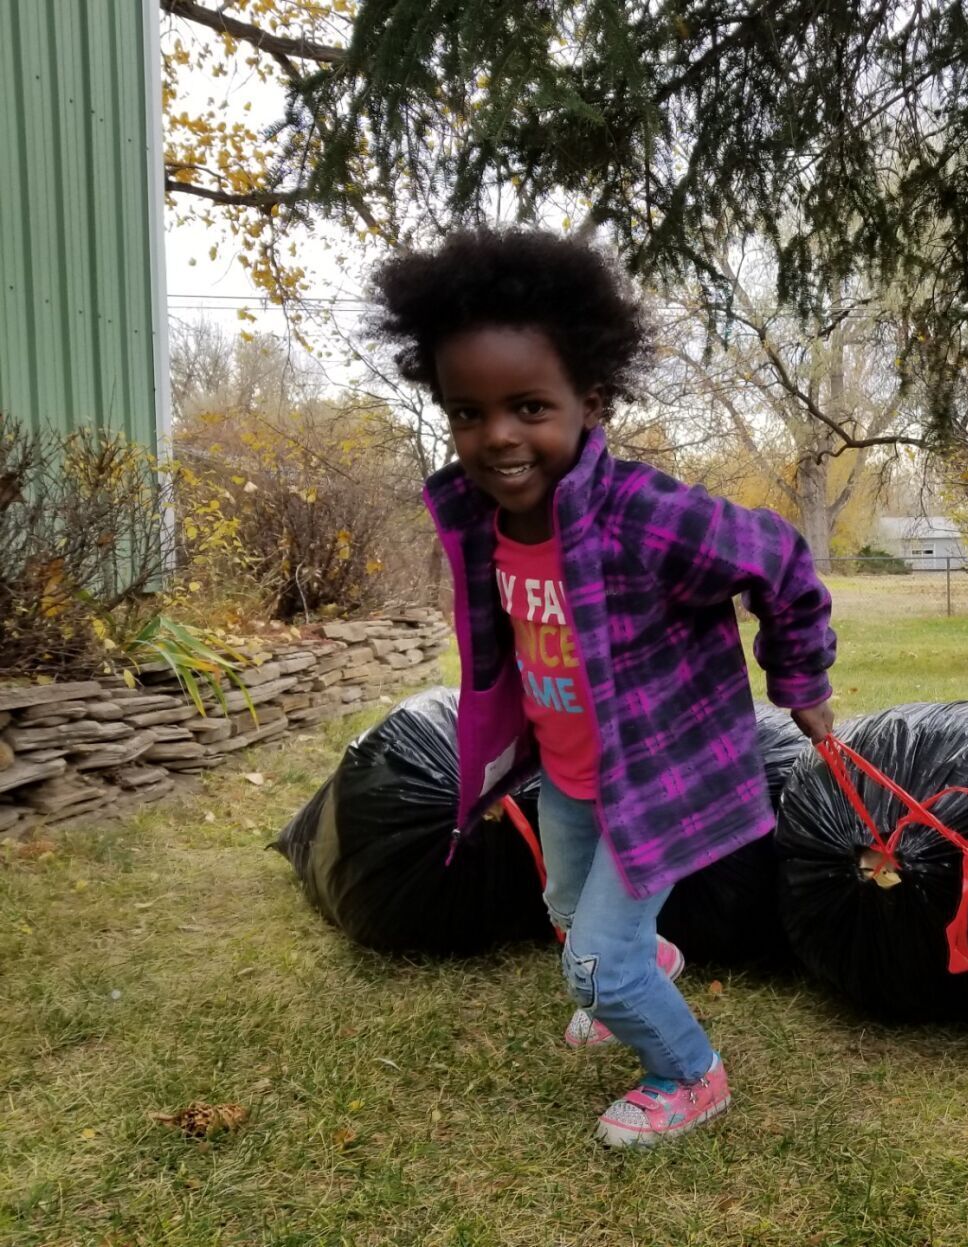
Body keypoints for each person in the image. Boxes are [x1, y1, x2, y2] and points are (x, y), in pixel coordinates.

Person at [371, 228, 836, 1148]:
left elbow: (779, 558)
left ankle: (690, 1074)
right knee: (561, 912)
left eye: (530, 406)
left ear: (589, 401)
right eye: (469, 413)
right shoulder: (477, 518)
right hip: (571, 775)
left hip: (654, 783)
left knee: (596, 968)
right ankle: (641, 955)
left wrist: (798, 677)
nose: (498, 436)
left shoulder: (645, 517)